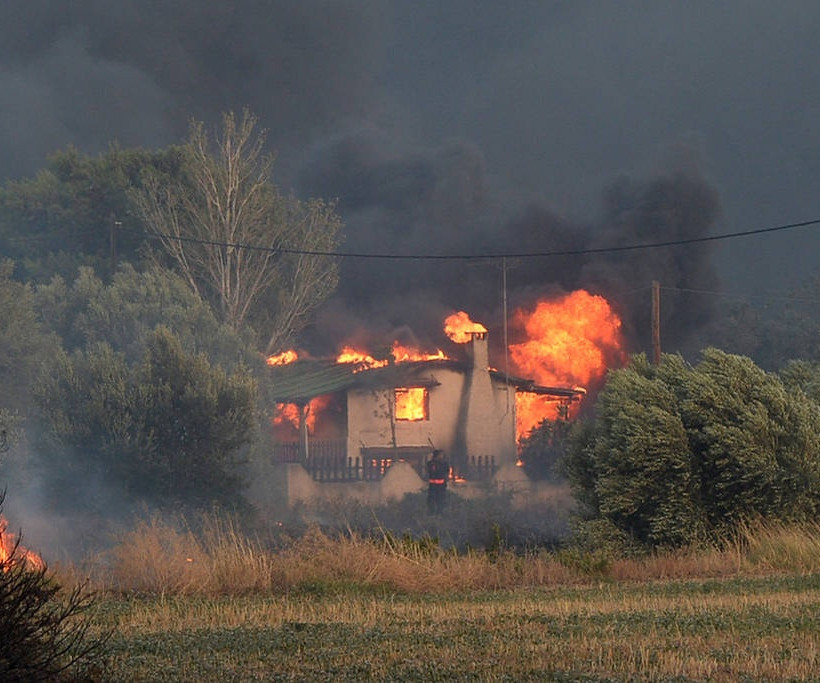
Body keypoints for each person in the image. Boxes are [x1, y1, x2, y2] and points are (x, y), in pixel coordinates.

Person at [426, 449, 449, 514]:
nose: (442, 456)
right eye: (441, 455)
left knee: (433, 500)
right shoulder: (443, 463)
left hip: (433, 486)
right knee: (439, 500)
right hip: (439, 486)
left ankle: (433, 512)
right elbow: (446, 470)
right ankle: (438, 512)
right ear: (438, 455)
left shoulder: (430, 463)